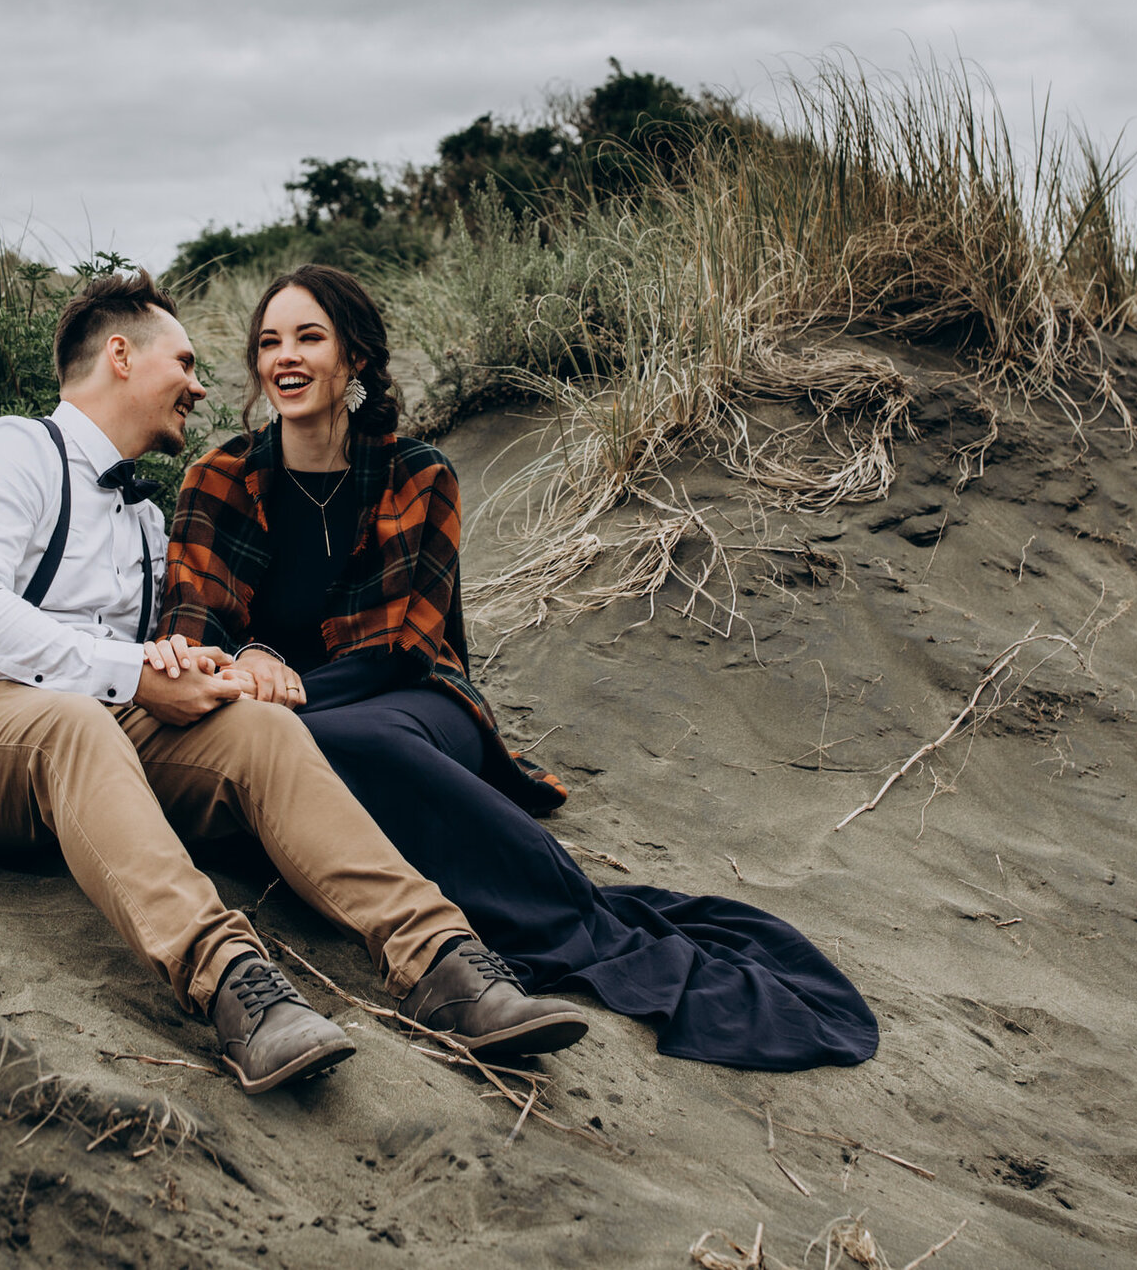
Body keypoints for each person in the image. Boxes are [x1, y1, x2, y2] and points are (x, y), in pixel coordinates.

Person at [0, 270, 589, 1095]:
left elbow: (168, 649)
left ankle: (441, 959)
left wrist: (209, 666)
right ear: (120, 355)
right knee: (74, 722)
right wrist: (131, 672)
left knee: (257, 725)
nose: (200, 383)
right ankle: (234, 986)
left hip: (97, 746)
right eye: (183, 361)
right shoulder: (13, 448)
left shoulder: (148, 521)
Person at [160, 265, 879, 1071]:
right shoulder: (216, 479)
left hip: (410, 702)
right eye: (269, 342)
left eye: (308, 337)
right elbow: (191, 627)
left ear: (354, 358)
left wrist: (278, 686)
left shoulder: (419, 475)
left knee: (360, 743)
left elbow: (401, 643)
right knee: (296, 749)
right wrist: (245, 663)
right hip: (264, 714)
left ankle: (554, 915)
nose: (284, 357)